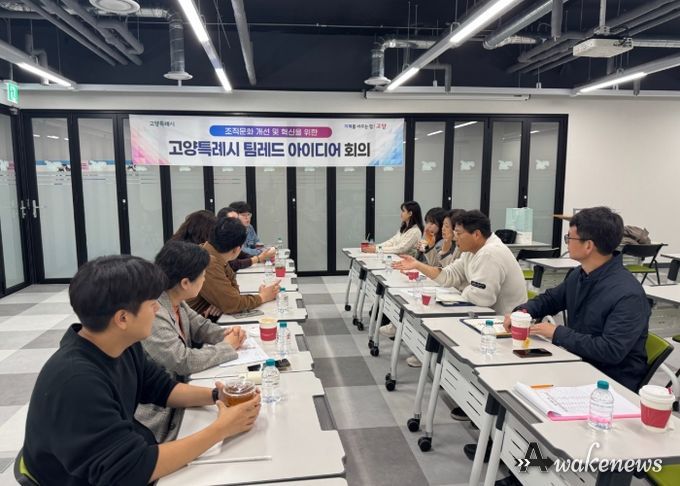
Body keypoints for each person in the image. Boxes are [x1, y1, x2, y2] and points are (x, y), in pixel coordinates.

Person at [22, 255, 261, 485]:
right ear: (123, 318)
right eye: (151, 303)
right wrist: (221, 429)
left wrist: (217, 395)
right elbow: (131, 470)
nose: (157, 309)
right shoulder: (77, 382)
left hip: (132, 454)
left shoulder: (122, 345)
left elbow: (162, 388)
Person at [505, 206, 649, 392]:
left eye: (569, 238)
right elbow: (550, 300)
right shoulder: (580, 274)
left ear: (588, 245)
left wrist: (557, 333)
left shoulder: (628, 294)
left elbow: (611, 350)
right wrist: (522, 312)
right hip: (578, 362)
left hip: (609, 383)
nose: (566, 243)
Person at [136, 240, 248, 442]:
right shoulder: (155, 311)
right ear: (185, 283)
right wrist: (227, 346)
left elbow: (201, 326)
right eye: (203, 275)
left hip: (185, 395)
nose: (205, 279)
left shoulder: (175, 300)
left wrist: (228, 333)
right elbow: (182, 361)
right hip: (162, 416)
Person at [394, 210, 526, 315]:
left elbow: (482, 298)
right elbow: (449, 275)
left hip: (506, 322)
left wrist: (465, 289)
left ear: (476, 234)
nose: (455, 237)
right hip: (484, 314)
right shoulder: (471, 250)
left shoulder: (490, 253)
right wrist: (418, 265)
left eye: (458, 233)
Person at [403, 208, 466, 368]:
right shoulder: (447, 244)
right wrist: (432, 248)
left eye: (446, 226)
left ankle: (427, 352)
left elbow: (443, 272)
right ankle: (421, 348)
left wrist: (436, 249)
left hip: (457, 296)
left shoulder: (459, 247)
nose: (443, 229)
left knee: (427, 305)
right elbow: (437, 267)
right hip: (448, 289)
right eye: (443, 225)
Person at [187, 216, 279, 315]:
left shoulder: (215, 254)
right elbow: (233, 304)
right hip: (188, 322)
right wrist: (263, 297)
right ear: (237, 249)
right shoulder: (208, 261)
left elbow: (233, 294)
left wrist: (222, 302)